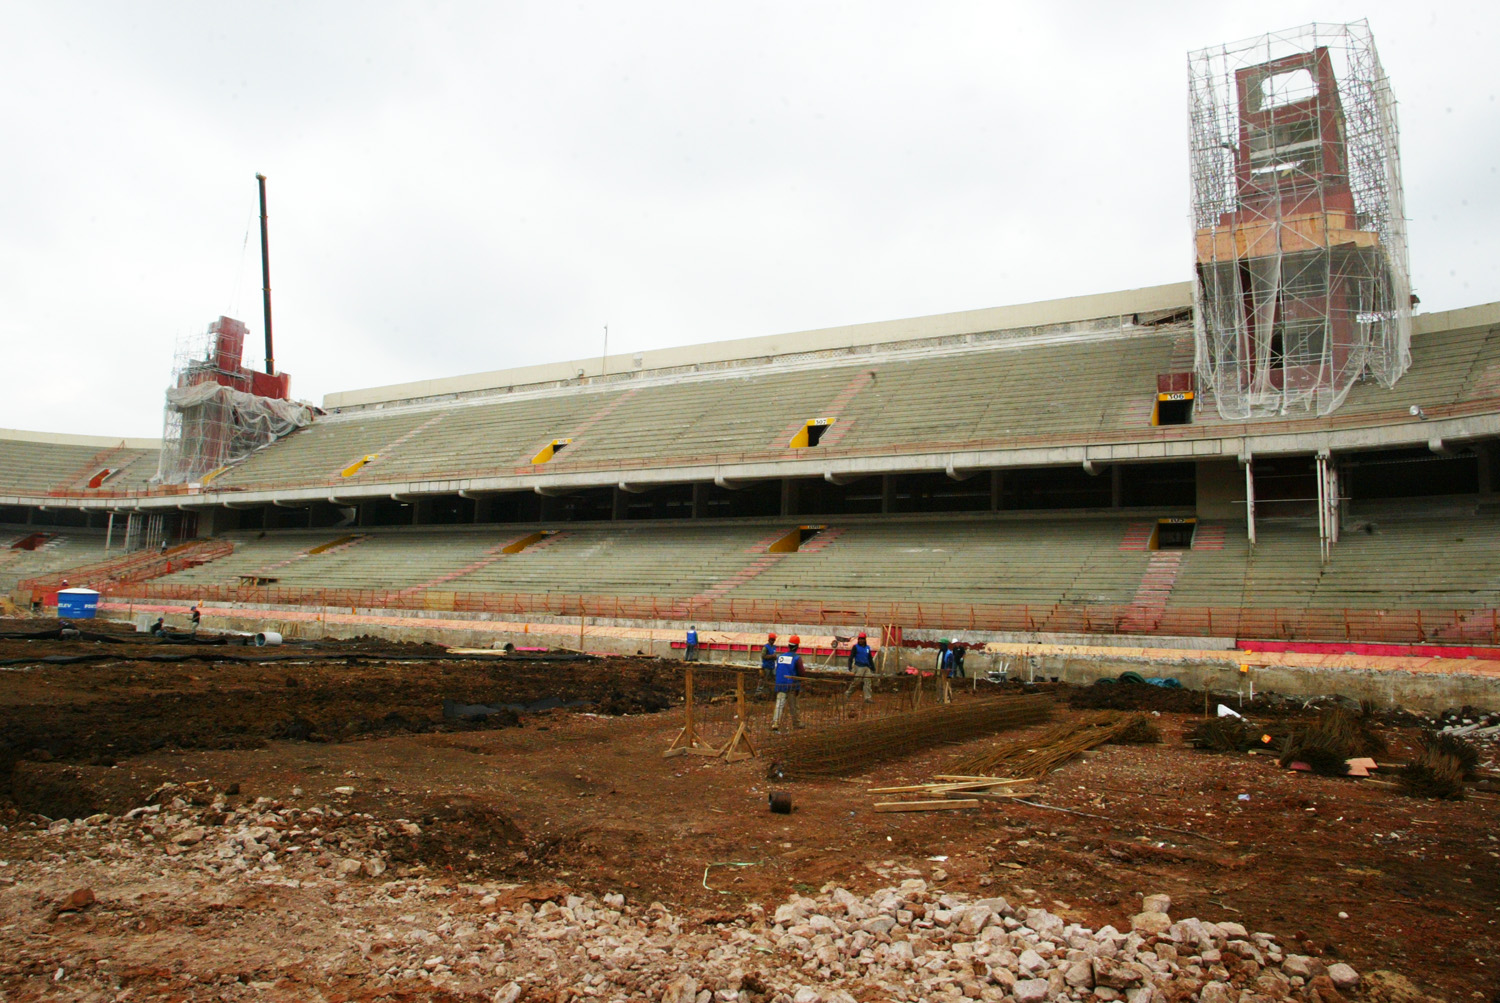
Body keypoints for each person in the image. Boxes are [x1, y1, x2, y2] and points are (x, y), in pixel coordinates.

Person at [771, 635, 805, 732]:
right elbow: (801, 673)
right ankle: (797, 723)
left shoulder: (780, 657)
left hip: (780, 684)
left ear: (788, 646)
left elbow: (776, 670)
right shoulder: (797, 658)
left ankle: (775, 722)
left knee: (779, 704)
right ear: (797, 646)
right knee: (794, 705)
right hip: (792, 685)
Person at [845, 631, 875, 702]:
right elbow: (851, 657)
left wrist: (872, 667)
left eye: (862, 639)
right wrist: (849, 666)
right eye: (860, 639)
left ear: (865, 640)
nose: (861, 640)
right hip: (858, 666)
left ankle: (868, 698)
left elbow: (870, 658)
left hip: (866, 667)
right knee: (856, 682)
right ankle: (848, 693)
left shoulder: (867, 648)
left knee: (868, 682)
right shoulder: (855, 647)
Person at [756, 632, 778, 698]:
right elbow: (763, 656)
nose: (773, 641)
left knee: (775, 678)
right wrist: (772, 656)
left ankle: (774, 691)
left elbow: (774, 656)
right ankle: (758, 692)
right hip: (766, 666)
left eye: (774, 640)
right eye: (772, 640)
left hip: (772, 666)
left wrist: (774, 657)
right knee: (763, 679)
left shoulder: (774, 647)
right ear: (769, 639)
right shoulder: (766, 647)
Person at [936, 639, 955, 704]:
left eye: (941, 644)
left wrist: (947, 674)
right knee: (939, 687)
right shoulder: (940, 652)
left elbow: (950, 665)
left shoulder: (949, 653)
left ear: (945, 645)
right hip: (939, 673)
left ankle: (947, 700)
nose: (940, 646)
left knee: (946, 687)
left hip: (946, 674)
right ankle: (940, 699)